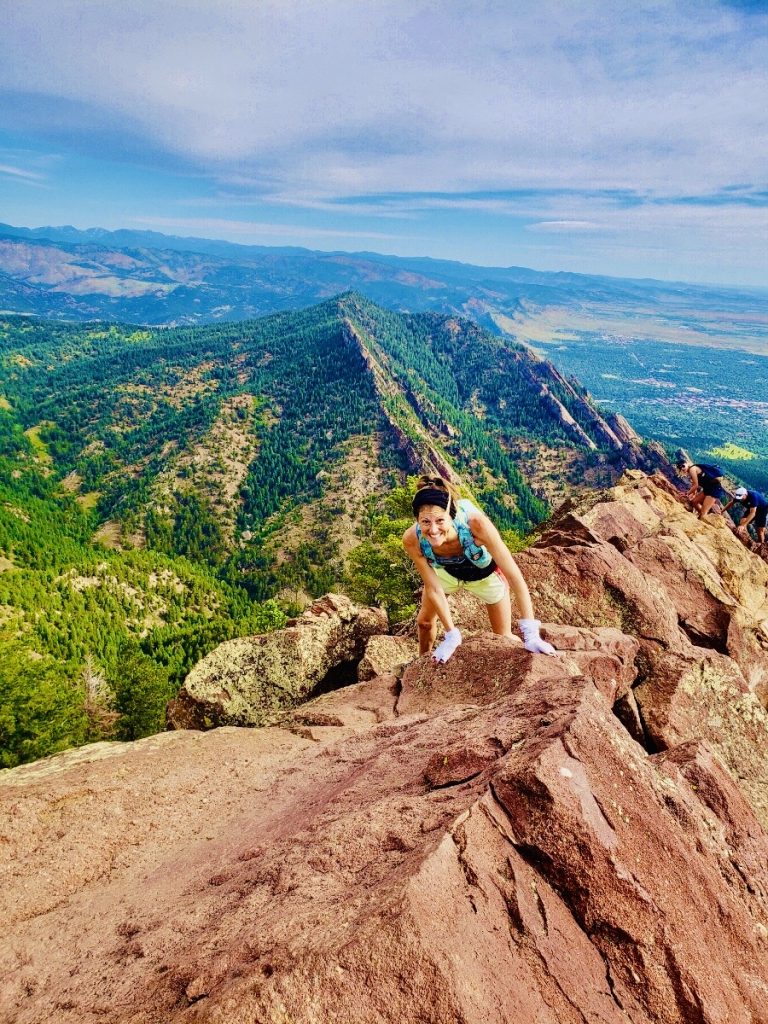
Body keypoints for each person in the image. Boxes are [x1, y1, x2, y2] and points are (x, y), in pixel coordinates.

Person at [402, 475, 556, 662]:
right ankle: (422, 665)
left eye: (440, 521)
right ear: (417, 520)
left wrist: (531, 633)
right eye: (425, 522)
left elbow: (515, 576)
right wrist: (451, 634)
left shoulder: (476, 526)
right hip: (446, 571)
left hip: (484, 575)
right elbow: (433, 588)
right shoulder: (412, 539)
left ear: (451, 516)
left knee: (503, 637)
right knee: (424, 622)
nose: (433, 530)